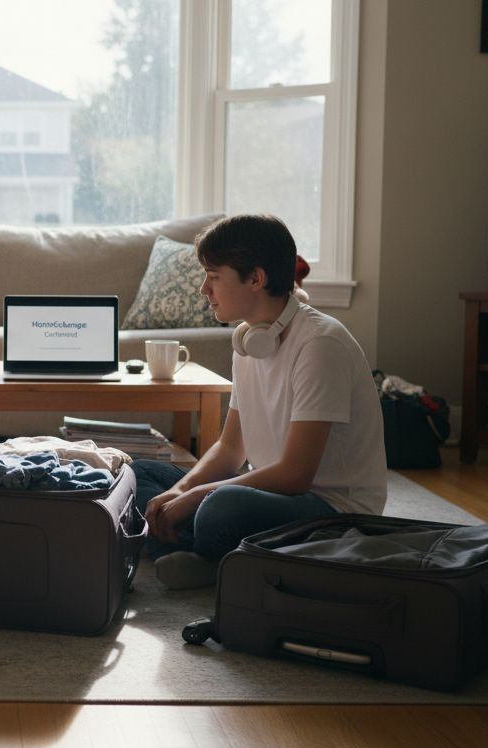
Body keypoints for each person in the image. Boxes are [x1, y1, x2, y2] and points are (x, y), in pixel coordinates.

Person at [133, 213, 386, 589]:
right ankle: (216, 556)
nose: (205, 289)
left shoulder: (320, 344)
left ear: (256, 278)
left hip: (330, 509)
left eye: (214, 277)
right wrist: (180, 490)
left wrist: (198, 496)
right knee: (139, 475)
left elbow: (296, 474)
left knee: (222, 507)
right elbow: (231, 448)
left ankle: (208, 557)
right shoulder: (249, 340)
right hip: (269, 492)